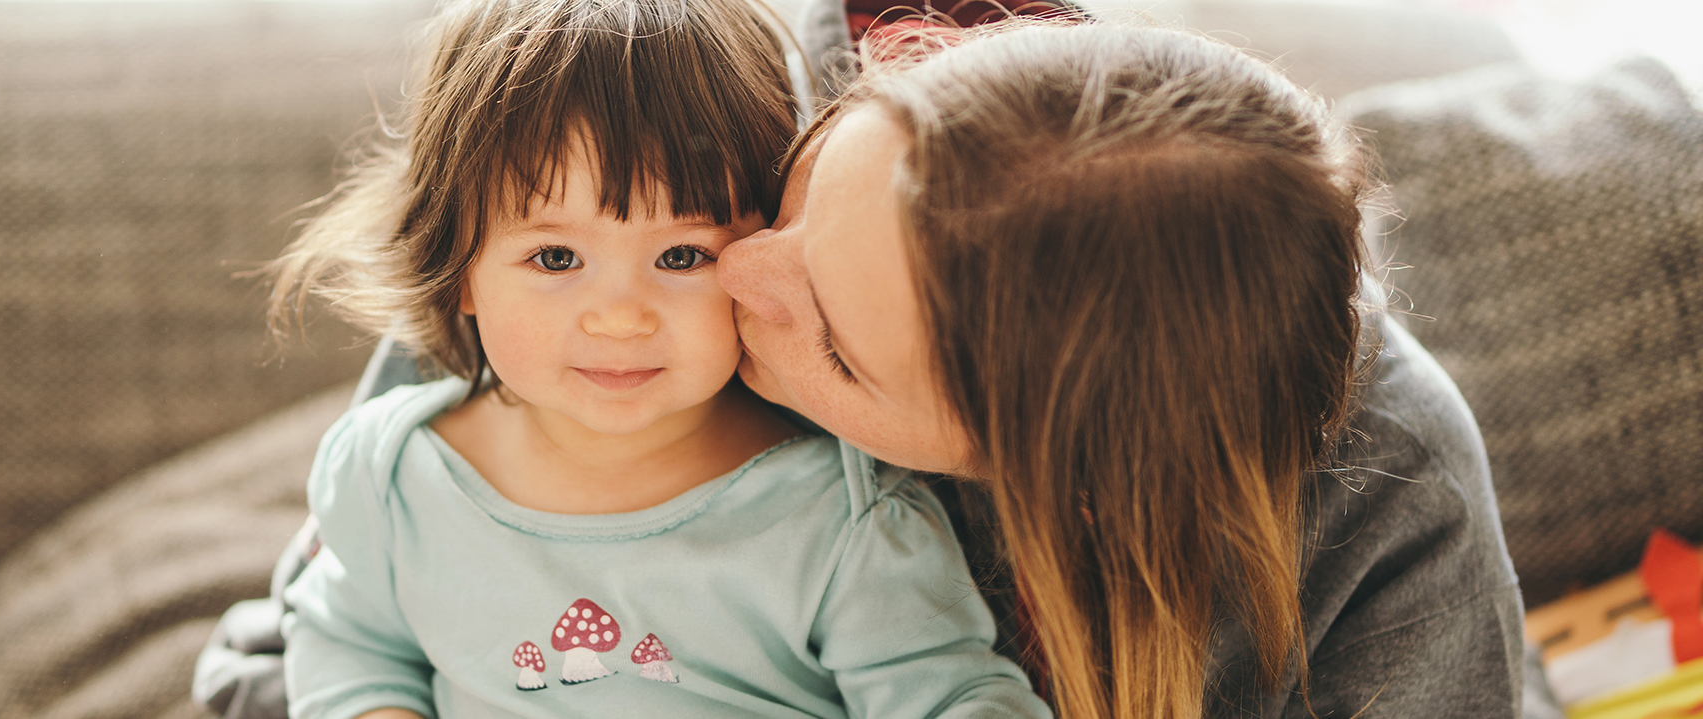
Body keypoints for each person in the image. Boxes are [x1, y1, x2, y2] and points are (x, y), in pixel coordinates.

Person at [198, 8, 1528, 719]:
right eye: (793, 199)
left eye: (828, 337)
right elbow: (302, 637)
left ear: (1030, 481)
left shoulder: (1386, 506)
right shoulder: (653, 171)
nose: (730, 275)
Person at [253, 0, 1050, 717]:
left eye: (681, 256)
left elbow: (956, 695)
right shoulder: (392, 476)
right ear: (461, 268)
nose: (622, 317)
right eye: (557, 258)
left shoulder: (846, 517)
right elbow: (349, 643)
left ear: (766, 248)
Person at [715, 18, 1526, 719]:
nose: (736, 267)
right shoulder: (739, 146)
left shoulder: (1403, 517)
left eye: (837, 353)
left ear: (1070, 487)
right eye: (815, 184)